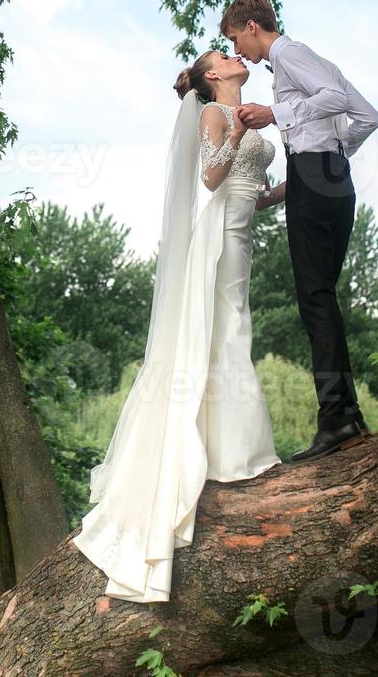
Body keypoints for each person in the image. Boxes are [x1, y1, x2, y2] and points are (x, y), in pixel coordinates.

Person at [70, 49, 282, 603]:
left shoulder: (250, 112)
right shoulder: (216, 114)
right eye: (225, 55)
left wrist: (289, 192)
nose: (237, 56)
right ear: (214, 77)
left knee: (231, 327)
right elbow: (212, 178)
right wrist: (236, 131)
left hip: (243, 228)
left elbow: (252, 195)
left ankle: (226, 447)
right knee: (229, 329)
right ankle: (238, 457)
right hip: (219, 232)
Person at [224, 0, 378, 463]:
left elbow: (334, 101)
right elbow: (368, 117)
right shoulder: (306, 59)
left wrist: (276, 115)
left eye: (236, 39)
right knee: (323, 298)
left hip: (318, 178)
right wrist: (323, 166)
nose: (238, 52)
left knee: (314, 300)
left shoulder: (287, 53)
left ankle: (338, 420)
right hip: (334, 181)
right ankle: (344, 415)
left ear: (253, 26)